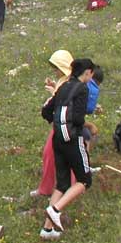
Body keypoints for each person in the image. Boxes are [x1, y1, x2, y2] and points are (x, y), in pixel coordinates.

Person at [39, 58, 96, 240]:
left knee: (62, 184)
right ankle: (55, 210)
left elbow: (46, 111)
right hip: (73, 139)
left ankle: (47, 230)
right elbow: (78, 118)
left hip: (57, 140)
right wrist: (85, 126)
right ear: (87, 72)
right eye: (91, 74)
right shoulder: (82, 89)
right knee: (84, 180)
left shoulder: (63, 86)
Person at [31, 50, 74, 199]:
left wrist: (53, 95)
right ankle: (55, 188)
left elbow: (64, 102)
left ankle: (53, 189)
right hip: (60, 124)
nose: (55, 71)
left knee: (54, 155)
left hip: (65, 125)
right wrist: (54, 87)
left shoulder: (71, 83)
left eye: (57, 68)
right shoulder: (65, 80)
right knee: (51, 155)